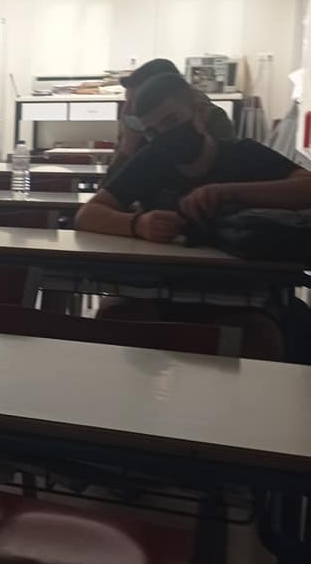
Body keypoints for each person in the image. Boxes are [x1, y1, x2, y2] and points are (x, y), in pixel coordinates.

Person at [76, 72, 311, 359]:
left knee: (258, 336)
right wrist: (138, 224)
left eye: (172, 121)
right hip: (161, 288)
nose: (164, 136)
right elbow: (88, 214)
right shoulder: (150, 162)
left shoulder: (243, 154)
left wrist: (231, 192)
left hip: (243, 292)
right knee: (116, 319)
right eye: (152, 132)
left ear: (200, 114)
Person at [109, 58, 235, 177]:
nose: (127, 110)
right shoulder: (140, 126)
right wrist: (128, 145)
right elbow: (110, 186)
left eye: (134, 102)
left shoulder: (210, 119)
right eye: (127, 101)